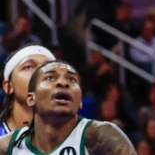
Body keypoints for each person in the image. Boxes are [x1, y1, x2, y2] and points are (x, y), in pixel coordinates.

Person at [0, 60, 138, 154]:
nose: (63, 83)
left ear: (80, 101)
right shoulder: (7, 147)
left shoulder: (102, 137)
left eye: (71, 79)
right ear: (31, 98)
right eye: (50, 78)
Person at [0, 45, 55, 136]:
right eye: (28, 67)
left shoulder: (78, 135)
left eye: (49, 68)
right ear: (8, 86)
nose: (42, 72)